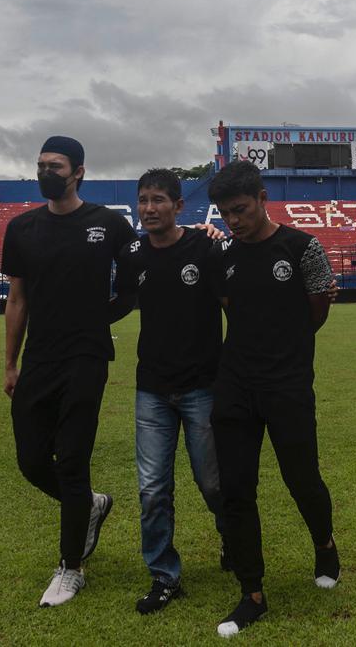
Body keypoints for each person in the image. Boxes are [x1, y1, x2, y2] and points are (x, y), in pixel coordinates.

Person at [1, 135, 138, 608]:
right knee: (31, 460)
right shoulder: (22, 229)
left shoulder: (108, 224)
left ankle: (70, 568)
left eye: (54, 165)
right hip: (39, 359)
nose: (45, 172)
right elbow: (16, 299)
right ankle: (92, 506)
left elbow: (137, 281)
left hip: (87, 357)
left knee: (74, 458)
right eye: (40, 164)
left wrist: (103, 317)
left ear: (78, 172)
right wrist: (11, 362)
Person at [204, 160, 339, 637]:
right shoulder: (225, 256)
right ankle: (252, 593)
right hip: (235, 384)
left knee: (301, 478)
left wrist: (285, 351)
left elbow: (317, 308)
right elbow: (229, 308)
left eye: (240, 209)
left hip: (287, 384)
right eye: (224, 213)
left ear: (262, 198)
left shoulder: (302, 247)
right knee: (235, 489)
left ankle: (324, 543)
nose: (233, 220)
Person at [113, 169, 230, 614]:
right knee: (152, 488)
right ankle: (164, 575)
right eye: (143, 199)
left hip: (203, 386)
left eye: (159, 199)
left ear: (179, 206)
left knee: (212, 482)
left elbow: (231, 303)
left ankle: (232, 542)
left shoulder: (205, 246)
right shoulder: (133, 253)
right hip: (152, 391)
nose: (149, 208)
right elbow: (121, 301)